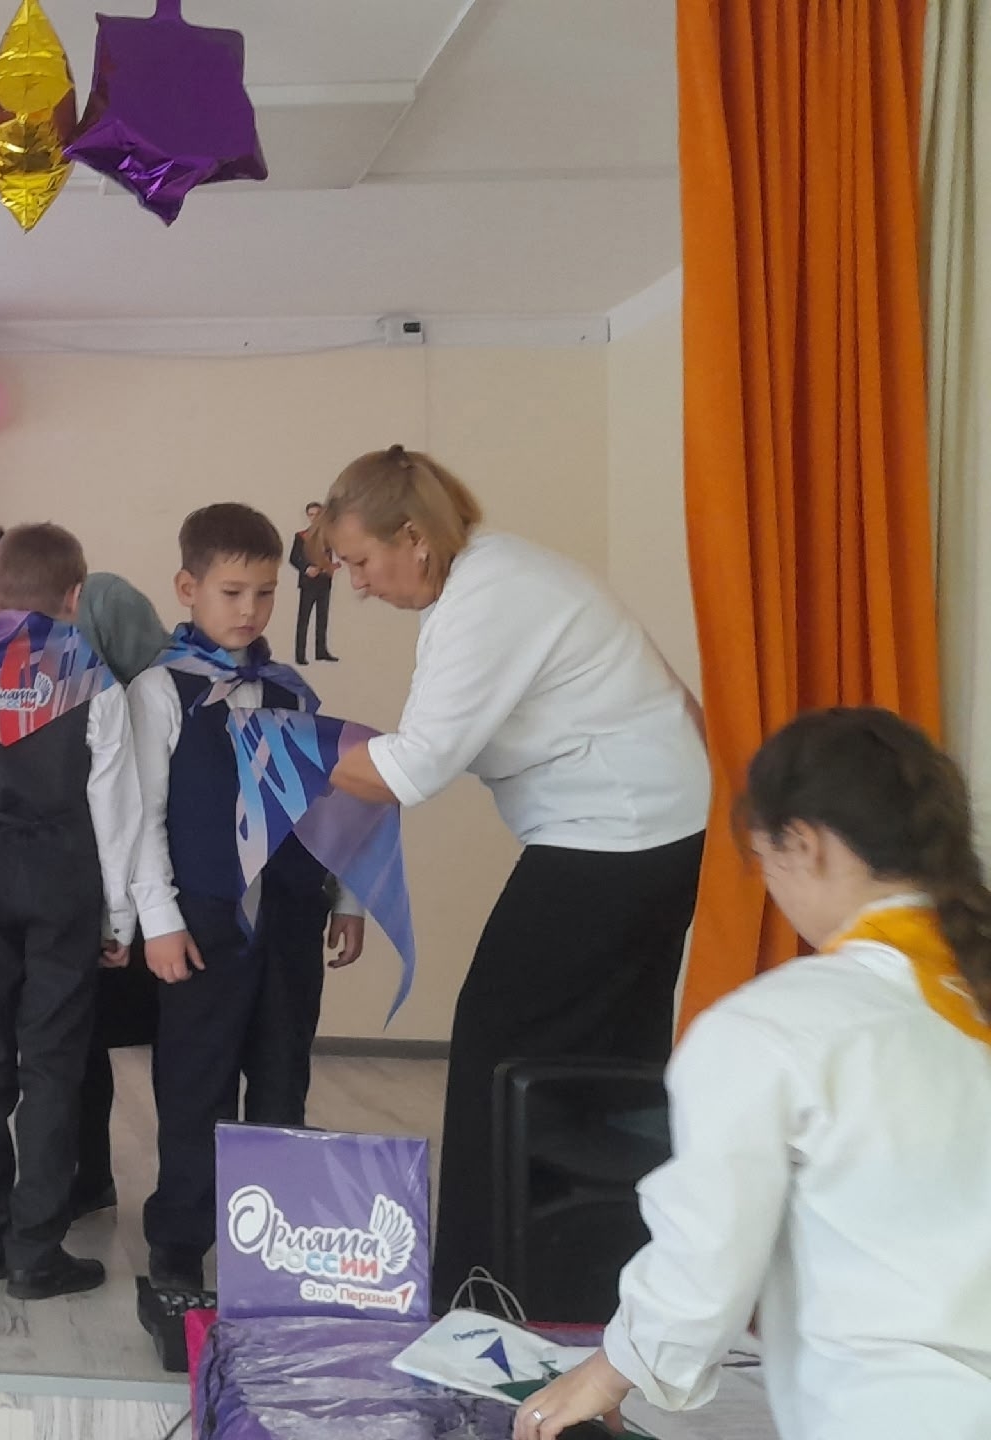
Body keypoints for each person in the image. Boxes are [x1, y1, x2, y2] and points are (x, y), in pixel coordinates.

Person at [514, 709, 991, 1440]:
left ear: (803, 844)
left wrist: (612, 1370)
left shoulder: (775, 1027)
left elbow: (705, 1259)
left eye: (762, 858)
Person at [320, 446, 710, 1310]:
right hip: (654, 832)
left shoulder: (489, 597)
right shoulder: (495, 578)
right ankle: (598, 1275)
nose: (357, 585)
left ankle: (486, 1285)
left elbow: (410, 770)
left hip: (618, 837)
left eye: (359, 560)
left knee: (499, 1042)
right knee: (605, 1056)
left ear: (413, 537)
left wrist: (282, 745)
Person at [130, 505, 367, 1289]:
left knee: (282, 1075)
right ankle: (180, 1241)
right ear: (187, 588)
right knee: (195, 1082)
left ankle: (272, 1246)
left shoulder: (291, 693)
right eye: (232, 592)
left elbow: (329, 804)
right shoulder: (160, 691)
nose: (250, 610)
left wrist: (348, 899)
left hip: (290, 914)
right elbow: (142, 817)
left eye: (266, 593)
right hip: (201, 921)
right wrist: (158, 921)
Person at [0, 513, 161, 1220]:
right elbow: (114, 807)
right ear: (75, 596)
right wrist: (120, 917)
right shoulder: (95, 680)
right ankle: (36, 1244)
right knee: (54, 1061)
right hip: (64, 876)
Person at [288, 502, 338, 665]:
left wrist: (332, 566)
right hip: (308, 582)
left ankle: (321, 651)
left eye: (317, 514)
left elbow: (334, 556)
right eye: (311, 515)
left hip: (324, 581)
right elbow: (293, 558)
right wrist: (306, 568)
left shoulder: (330, 536)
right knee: (304, 619)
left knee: (322, 618)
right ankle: (300, 654)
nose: (314, 518)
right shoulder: (301, 536)